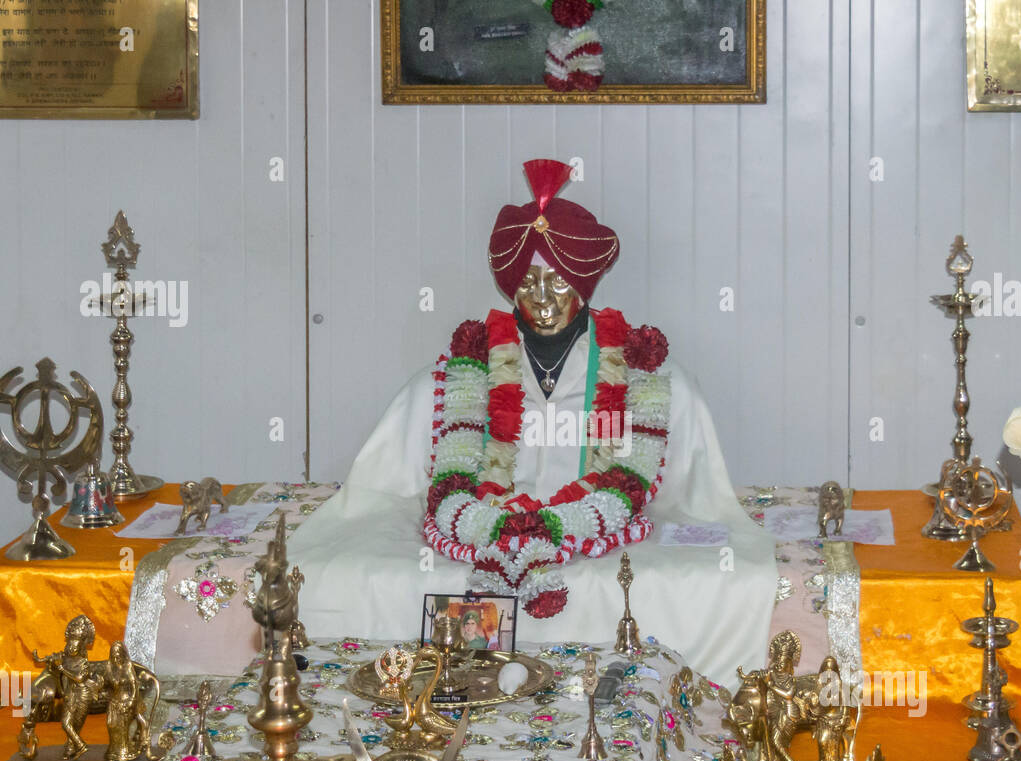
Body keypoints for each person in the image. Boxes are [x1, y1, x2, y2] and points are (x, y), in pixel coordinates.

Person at [290, 160, 776, 678]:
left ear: (585, 286)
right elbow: (394, 478)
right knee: (342, 575)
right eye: (528, 282)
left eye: (558, 283)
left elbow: (677, 485)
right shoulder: (463, 373)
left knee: (719, 582)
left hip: (608, 530)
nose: (542, 300)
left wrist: (585, 515)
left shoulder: (644, 376)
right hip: (478, 527)